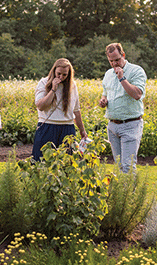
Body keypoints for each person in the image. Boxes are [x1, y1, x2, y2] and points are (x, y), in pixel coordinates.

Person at [99, 43, 147, 173]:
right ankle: (122, 193)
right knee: (119, 165)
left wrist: (122, 78)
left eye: (117, 60)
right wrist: (104, 100)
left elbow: (137, 94)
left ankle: (131, 193)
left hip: (131, 124)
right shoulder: (108, 74)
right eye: (111, 61)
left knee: (128, 165)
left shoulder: (136, 71)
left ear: (123, 55)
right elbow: (106, 92)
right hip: (113, 126)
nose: (115, 63)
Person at [32, 58, 88, 161]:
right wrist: (53, 89)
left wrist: (82, 130)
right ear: (54, 71)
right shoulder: (43, 82)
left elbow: (76, 110)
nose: (61, 77)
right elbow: (40, 106)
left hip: (67, 128)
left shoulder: (73, 85)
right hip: (48, 126)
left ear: (69, 74)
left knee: (67, 163)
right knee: (42, 161)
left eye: (64, 75)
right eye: (58, 74)